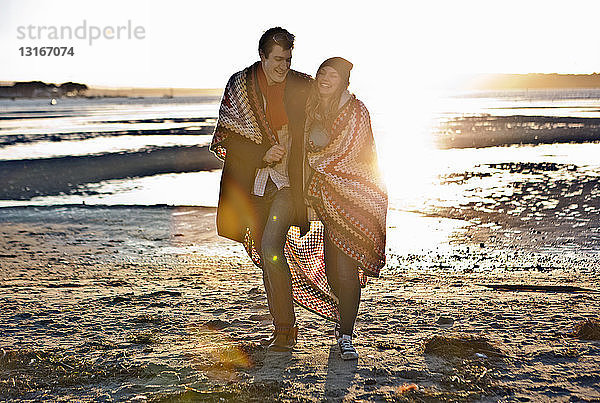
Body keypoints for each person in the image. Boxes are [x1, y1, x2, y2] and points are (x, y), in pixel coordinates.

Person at [210, 27, 312, 352]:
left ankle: (285, 330)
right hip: (253, 180)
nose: (284, 66)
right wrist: (262, 153)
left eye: (288, 59)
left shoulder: (301, 85)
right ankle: (282, 326)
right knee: (269, 256)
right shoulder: (239, 85)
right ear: (263, 56)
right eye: (278, 59)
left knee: (271, 244)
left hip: (288, 181)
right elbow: (228, 135)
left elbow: (328, 116)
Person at [303, 57, 388, 360]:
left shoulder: (356, 110)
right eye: (322, 73)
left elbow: (354, 152)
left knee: (345, 269)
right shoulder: (311, 109)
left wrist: (323, 162)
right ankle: (343, 325)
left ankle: (346, 335)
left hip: (358, 197)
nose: (326, 78)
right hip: (328, 201)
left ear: (344, 81)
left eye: (333, 75)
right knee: (334, 271)